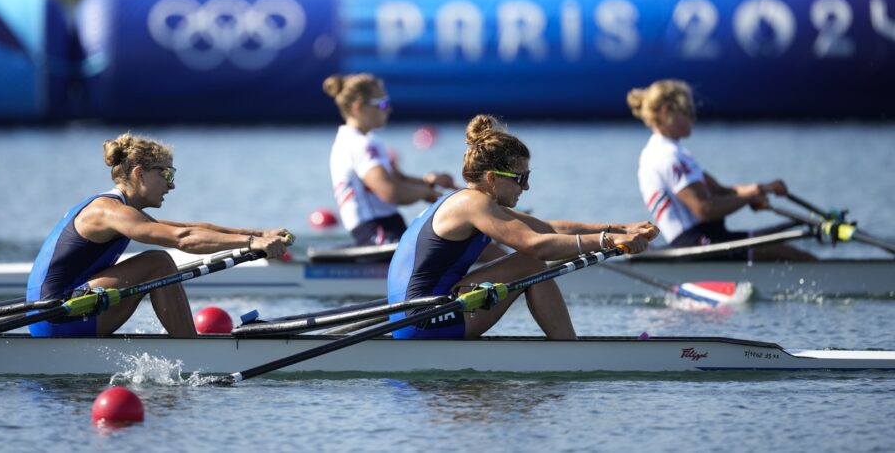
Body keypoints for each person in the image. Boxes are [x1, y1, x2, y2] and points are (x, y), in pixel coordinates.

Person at [387, 115, 657, 341]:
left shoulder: (469, 201)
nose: (526, 187)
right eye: (521, 178)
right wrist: (606, 240)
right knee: (531, 263)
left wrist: (620, 228)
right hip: (422, 319)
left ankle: (569, 348)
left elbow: (549, 227)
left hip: (418, 314)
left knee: (531, 259)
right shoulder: (473, 204)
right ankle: (571, 353)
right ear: (492, 178)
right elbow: (535, 244)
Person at [26, 133, 292, 338]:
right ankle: (190, 350)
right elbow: (183, 238)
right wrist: (252, 244)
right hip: (56, 317)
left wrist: (259, 234)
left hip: (65, 310)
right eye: (166, 173)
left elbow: (190, 227)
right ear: (139, 174)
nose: (172, 184)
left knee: (158, 261)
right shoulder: (108, 211)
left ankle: (185, 341)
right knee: (158, 263)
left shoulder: (121, 211)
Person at [627, 79, 814, 261]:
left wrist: (764, 188)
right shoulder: (667, 156)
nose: (693, 117)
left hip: (707, 237)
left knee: (780, 242)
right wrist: (749, 197)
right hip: (696, 243)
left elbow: (721, 191)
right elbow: (705, 209)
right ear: (667, 111)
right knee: (791, 254)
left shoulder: (668, 152)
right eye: (688, 111)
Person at [323, 73, 457, 246]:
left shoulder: (348, 141)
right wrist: (428, 193)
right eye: (382, 103)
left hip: (377, 230)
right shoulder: (363, 145)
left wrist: (430, 183)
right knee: (467, 241)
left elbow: (399, 180)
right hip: (379, 232)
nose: (388, 109)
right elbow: (391, 191)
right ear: (359, 107)